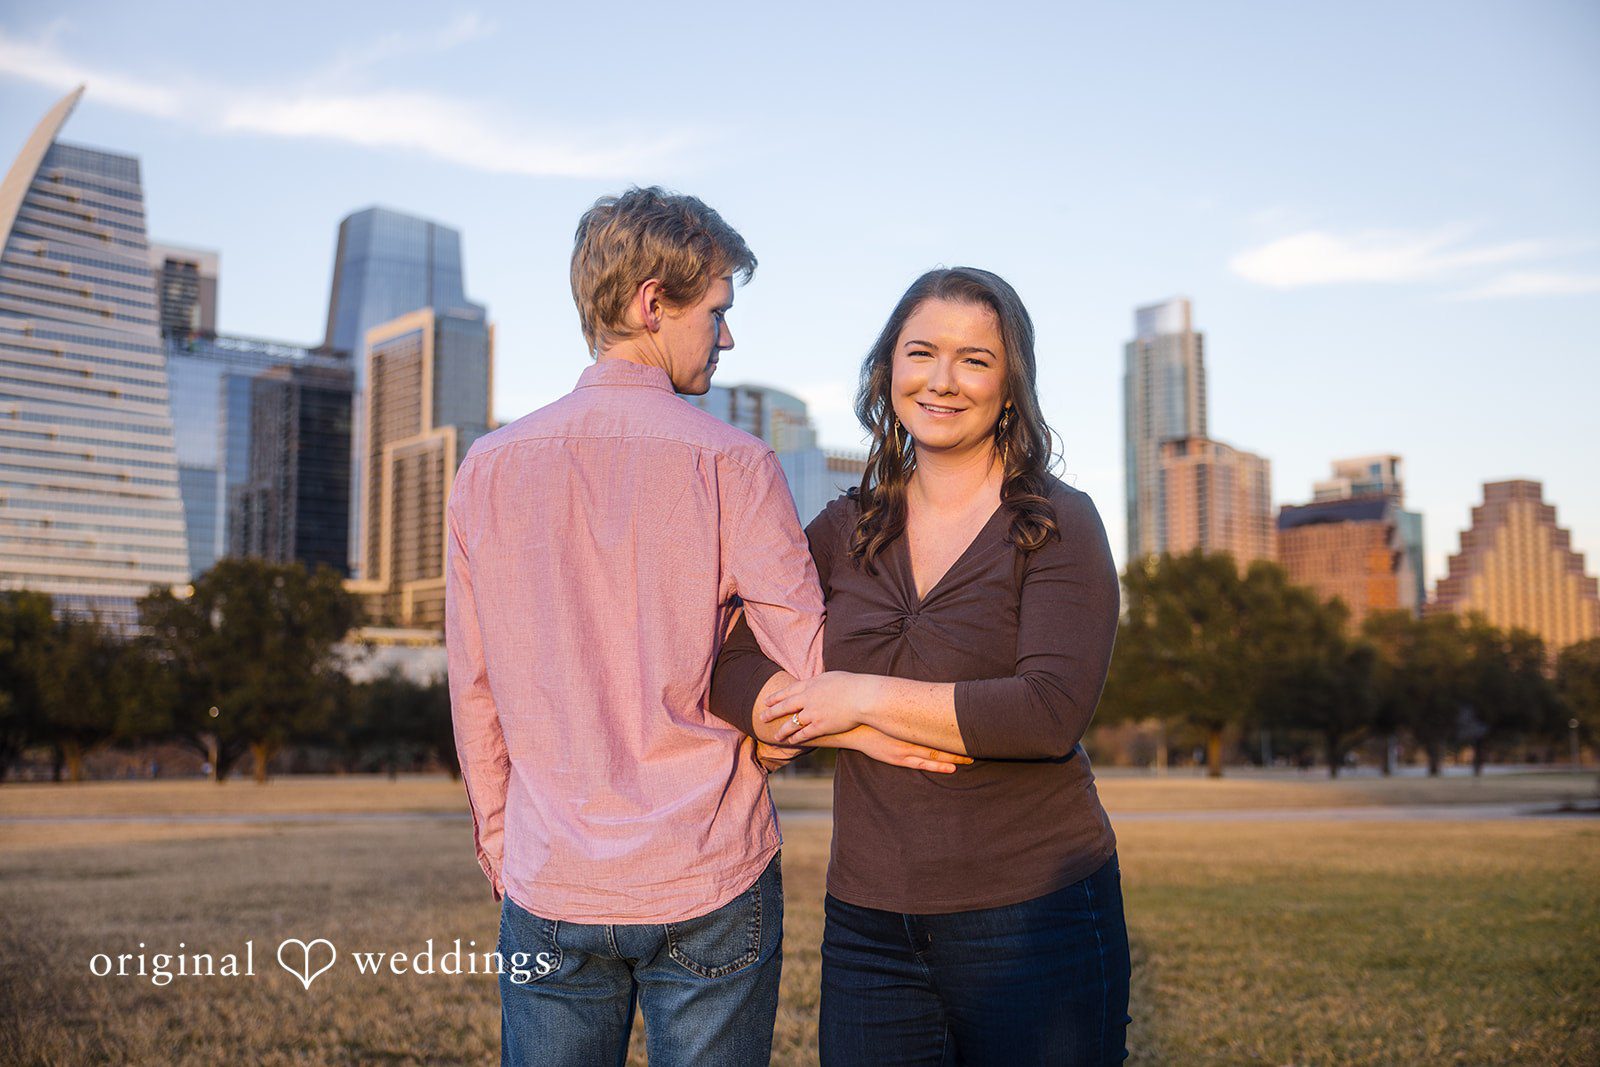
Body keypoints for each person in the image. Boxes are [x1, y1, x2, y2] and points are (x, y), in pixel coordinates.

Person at [445, 187, 967, 1067]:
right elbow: (807, 661)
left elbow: (475, 685)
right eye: (717, 311)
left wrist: (504, 845)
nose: (725, 336)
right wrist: (780, 743)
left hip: (550, 877)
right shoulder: (734, 462)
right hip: (710, 870)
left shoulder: (486, 468)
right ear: (654, 302)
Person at [712, 267, 1131, 1065]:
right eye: (920, 353)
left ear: (1011, 386)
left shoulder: (1059, 522)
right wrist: (808, 721)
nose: (942, 380)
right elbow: (731, 655)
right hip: (869, 926)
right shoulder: (845, 526)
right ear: (888, 371)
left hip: (1035, 916)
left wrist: (855, 696)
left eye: (975, 360)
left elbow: (1046, 712)